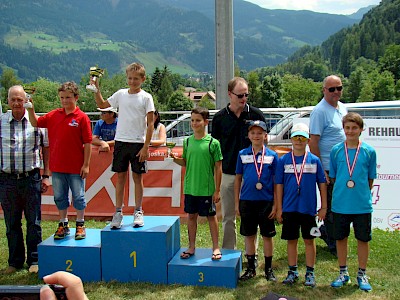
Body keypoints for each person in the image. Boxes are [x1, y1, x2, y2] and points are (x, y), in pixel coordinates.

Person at [26, 81, 92, 240]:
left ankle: (80, 224)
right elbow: (35, 122)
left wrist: (86, 165)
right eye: (62, 97)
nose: (64, 101)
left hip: (76, 167)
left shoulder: (82, 118)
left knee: (79, 197)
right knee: (60, 197)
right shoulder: (54, 115)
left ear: (76, 97)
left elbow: (88, 142)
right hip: (57, 167)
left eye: (68, 97)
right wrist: (30, 108)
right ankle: (63, 223)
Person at [92, 62, 155, 229]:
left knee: (137, 177)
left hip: (138, 143)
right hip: (121, 142)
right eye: (130, 78)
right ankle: (118, 212)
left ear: (143, 79)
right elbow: (103, 105)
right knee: (120, 177)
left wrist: (146, 146)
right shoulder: (120, 94)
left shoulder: (146, 97)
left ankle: (138, 211)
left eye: (136, 79)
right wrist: (96, 89)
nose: (132, 82)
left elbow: (150, 124)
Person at [0, 85, 50, 274]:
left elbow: (46, 148)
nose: (16, 103)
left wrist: (46, 176)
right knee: (11, 223)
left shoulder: (37, 123)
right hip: (7, 179)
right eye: (13, 99)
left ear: (26, 100)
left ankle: (34, 261)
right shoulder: (1, 121)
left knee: (34, 222)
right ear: (8, 101)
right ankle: (14, 262)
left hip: (31, 178)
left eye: (20, 99)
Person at [212, 77, 266, 250]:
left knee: (253, 216)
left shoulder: (256, 115)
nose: (244, 99)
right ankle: (229, 253)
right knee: (228, 216)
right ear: (229, 94)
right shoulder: (219, 118)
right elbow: (215, 148)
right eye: (240, 95)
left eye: (246, 95)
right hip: (228, 173)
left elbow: (265, 145)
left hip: (252, 175)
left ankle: (252, 255)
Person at [275, 123, 327, 287]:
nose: (299, 141)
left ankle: (310, 273)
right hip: (290, 209)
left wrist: (323, 206)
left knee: (310, 240)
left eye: (302, 138)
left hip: (309, 210)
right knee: (292, 240)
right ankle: (292, 271)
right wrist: (279, 208)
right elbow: (278, 185)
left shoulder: (314, 160)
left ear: (308, 140)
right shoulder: (283, 160)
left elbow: (322, 184)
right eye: (296, 137)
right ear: (291, 139)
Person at [329, 112, 377, 292]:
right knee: (341, 238)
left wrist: (360, 193)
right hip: (341, 204)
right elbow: (333, 177)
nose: (350, 131)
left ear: (361, 129)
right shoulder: (336, 150)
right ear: (343, 129)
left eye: (354, 128)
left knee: (362, 239)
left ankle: (362, 273)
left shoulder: (369, 151)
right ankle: (343, 272)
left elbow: (370, 179)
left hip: (361, 205)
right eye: (347, 128)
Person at [171, 107, 223, 260]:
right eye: (192, 120)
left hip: (206, 189)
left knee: (211, 217)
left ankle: (215, 247)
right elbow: (185, 162)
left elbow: (218, 168)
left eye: (198, 120)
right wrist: (174, 158)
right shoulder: (187, 142)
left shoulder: (213, 143)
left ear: (206, 122)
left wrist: (217, 190)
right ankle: (191, 246)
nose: (194, 123)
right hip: (190, 188)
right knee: (191, 217)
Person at [309, 75, 347, 256]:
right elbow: (313, 141)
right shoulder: (319, 111)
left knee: (339, 203)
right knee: (331, 204)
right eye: (332, 89)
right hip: (328, 167)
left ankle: (326, 232)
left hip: (343, 166)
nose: (336, 92)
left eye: (339, 88)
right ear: (324, 90)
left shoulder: (343, 108)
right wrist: (321, 169)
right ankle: (332, 241)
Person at [234, 120, 278, 281]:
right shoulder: (242, 154)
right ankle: (251, 268)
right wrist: (237, 202)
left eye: (260, 133)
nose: (256, 136)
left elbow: (276, 182)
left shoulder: (272, 156)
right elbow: (238, 178)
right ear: (248, 135)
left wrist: (275, 204)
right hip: (247, 200)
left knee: (267, 236)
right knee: (249, 235)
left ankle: (268, 269)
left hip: (266, 201)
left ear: (265, 135)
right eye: (253, 133)